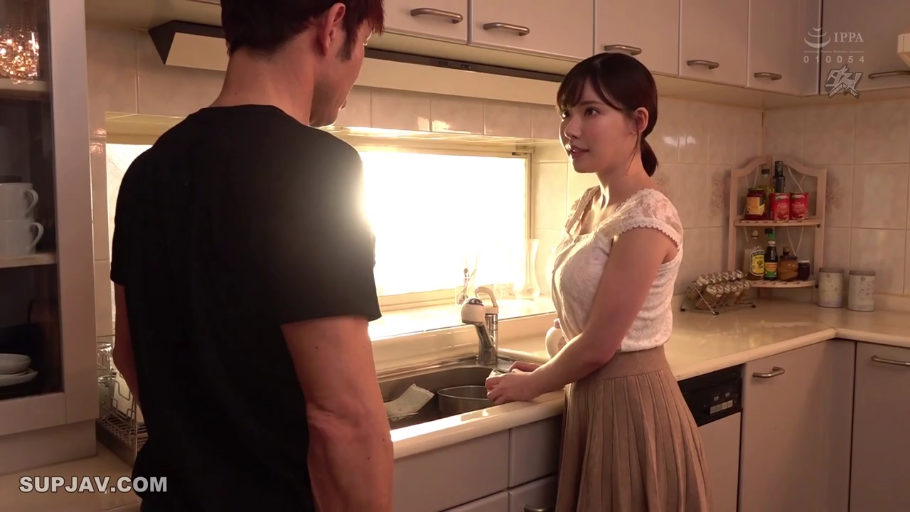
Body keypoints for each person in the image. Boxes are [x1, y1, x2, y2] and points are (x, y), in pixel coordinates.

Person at [109, 1, 393, 511]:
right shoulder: (317, 168)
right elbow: (342, 418)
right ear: (333, 26)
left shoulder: (147, 171)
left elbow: (127, 355)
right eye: (365, 42)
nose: (359, 65)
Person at [485, 52, 711, 511]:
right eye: (566, 113)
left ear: (637, 122)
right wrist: (554, 362)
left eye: (591, 111)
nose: (570, 129)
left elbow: (600, 344)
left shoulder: (648, 214)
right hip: (592, 399)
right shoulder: (592, 203)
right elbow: (585, 323)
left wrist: (537, 382)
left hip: (632, 409)